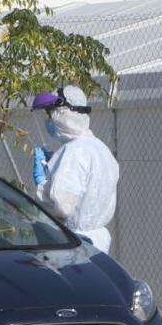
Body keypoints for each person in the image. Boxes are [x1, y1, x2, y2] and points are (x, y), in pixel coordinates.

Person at [30, 85, 120, 253]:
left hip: (75, 245)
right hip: (97, 243)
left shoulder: (74, 151)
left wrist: (42, 183)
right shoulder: (100, 149)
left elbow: (62, 206)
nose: (49, 120)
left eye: (51, 113)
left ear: (63, 114)